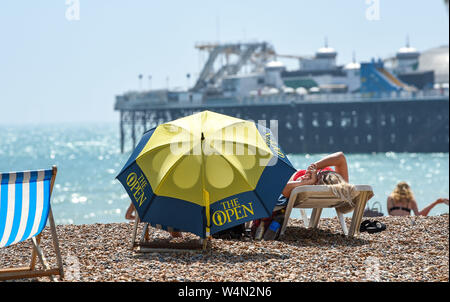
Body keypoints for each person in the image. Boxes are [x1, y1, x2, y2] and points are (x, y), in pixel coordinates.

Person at [281, 151, 356, 213]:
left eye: (319, 173)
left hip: (287, 175)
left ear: (316, 184)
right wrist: (315, 167)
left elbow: (282, 187)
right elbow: (340, 157)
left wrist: (308, 181)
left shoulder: (303, 188)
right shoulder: (340, 185)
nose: (317, 172)